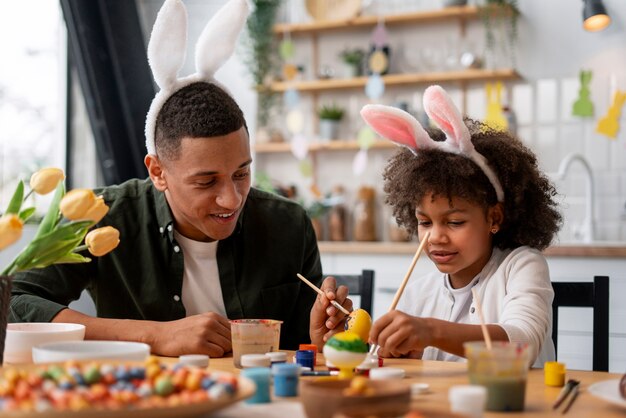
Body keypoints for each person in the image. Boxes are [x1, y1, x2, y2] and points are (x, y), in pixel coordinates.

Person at [9, 0, 351, 357]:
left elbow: (299, 354)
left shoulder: (289, 224)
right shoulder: (103, 215)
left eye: (242, 173)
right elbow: (15, 301)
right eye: (206, 182)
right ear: (157, 171)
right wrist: (154, 335)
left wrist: (321, 342)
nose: (232, 198)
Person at [361, 85, 562, 366]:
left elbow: (523, 344)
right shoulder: (419, 293)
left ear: (494, 218)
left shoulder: (521, 267)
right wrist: (342, 340)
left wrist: (430, 331)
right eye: (424, 222)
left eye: (454, 222)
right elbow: (390, 363)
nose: (435, 237)